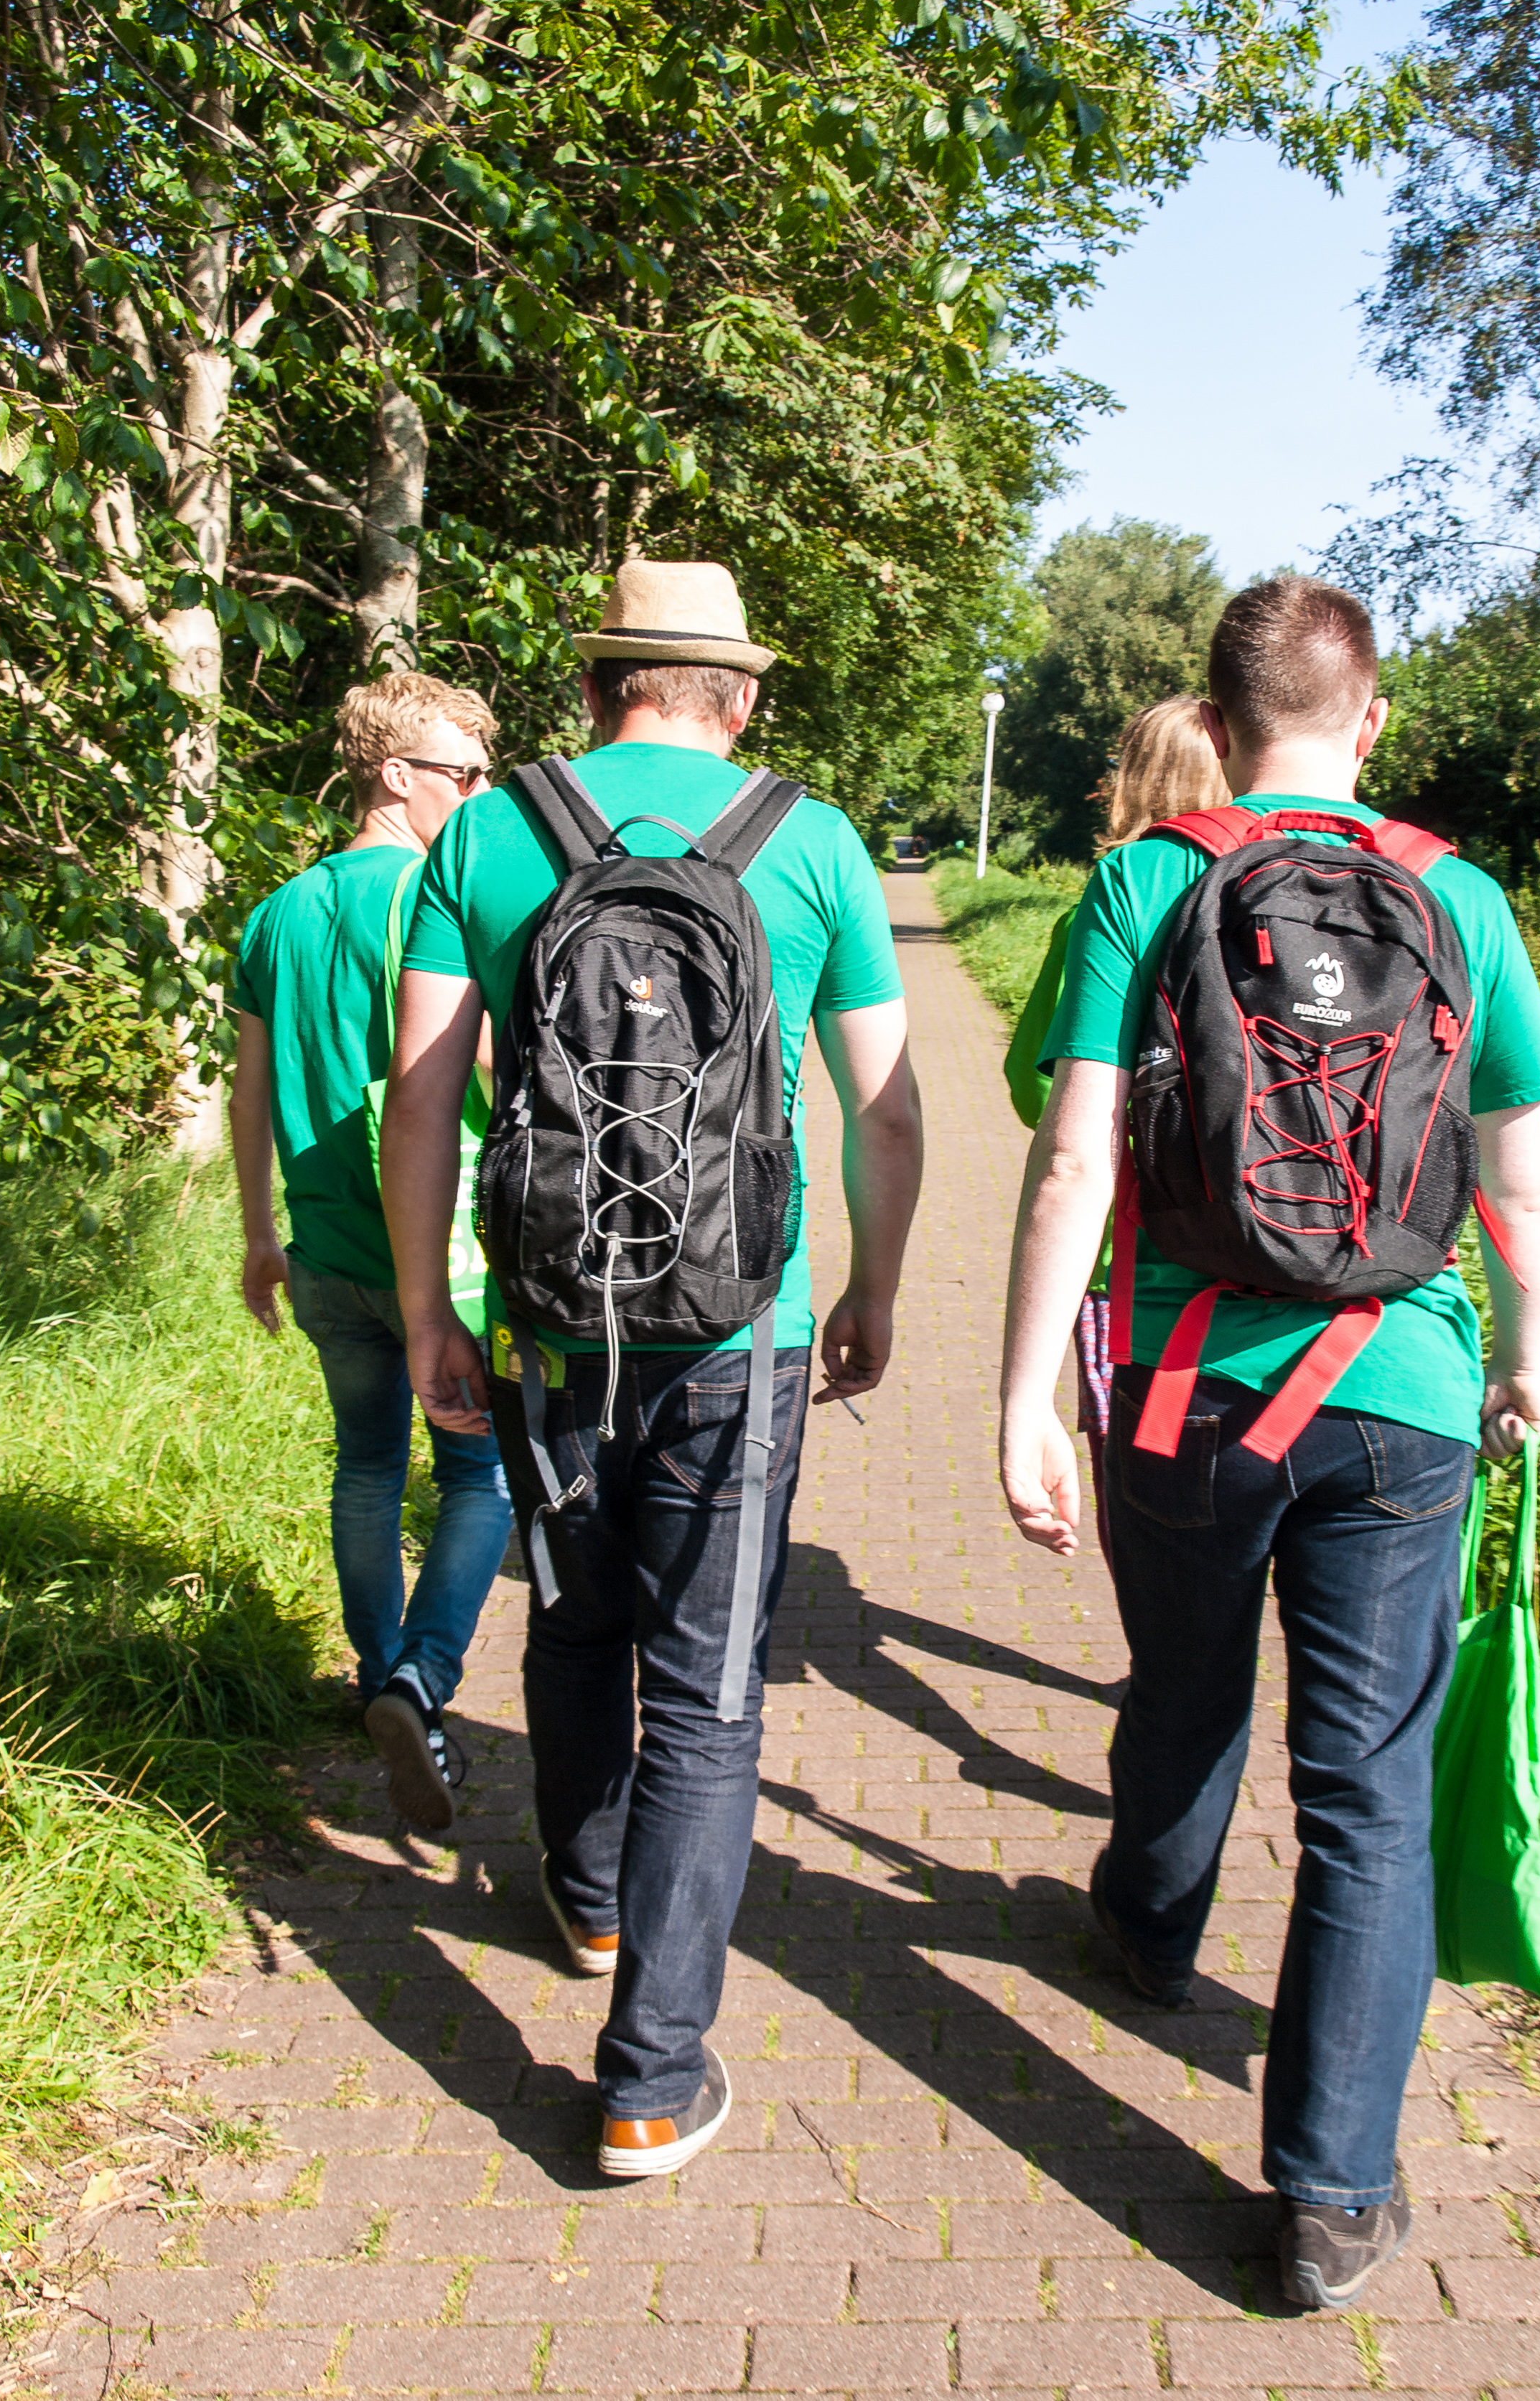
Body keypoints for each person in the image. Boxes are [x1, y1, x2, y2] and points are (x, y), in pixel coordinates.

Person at [996, 577, 1540, 2313]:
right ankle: (1327, 2193)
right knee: (1363, 1792)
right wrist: (1520, 1358)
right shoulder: (1454, 891)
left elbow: (1074, 1153)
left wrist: (1023, 1392)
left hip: (1181, 1386)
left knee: (1179, 1681)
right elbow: (1510, 1173)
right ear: (1367, 713)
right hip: (1395, 1393)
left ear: (1215, 716)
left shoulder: (1150, 874)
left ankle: (1147, 1930)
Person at [381, 557, 923, 2183]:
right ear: (735, 693)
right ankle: (648, 2077)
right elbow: (886, 1109)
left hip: (549, 1316)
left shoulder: (488, 830)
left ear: (602, 678)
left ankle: (591, 1892)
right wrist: (875, 1289)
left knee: (568, 1616)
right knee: (705, 1690)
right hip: (741, 1332)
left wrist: (430, 1312)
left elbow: (415, 1100)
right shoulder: (807, 841)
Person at [230, 675, 514, 1837]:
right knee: (477, 1473)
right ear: (393, 774)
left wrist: (257, 1235)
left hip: (325, 1249)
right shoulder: (434, 899)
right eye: (463, 773)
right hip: (443, 1256)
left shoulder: (276, 913)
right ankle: (422, 1678)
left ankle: (375, 1672)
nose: (481, 792)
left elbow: (247, 1094)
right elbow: (481, 1071)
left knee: (360, 1465)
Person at [1002, 694, 1233, 1569]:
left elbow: (1037, 1089)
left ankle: (1163, 1652)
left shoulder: (1118, 893)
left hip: (1124, 1264)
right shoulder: (1299, 885)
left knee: (1139, 1472)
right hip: (1279, 1244)